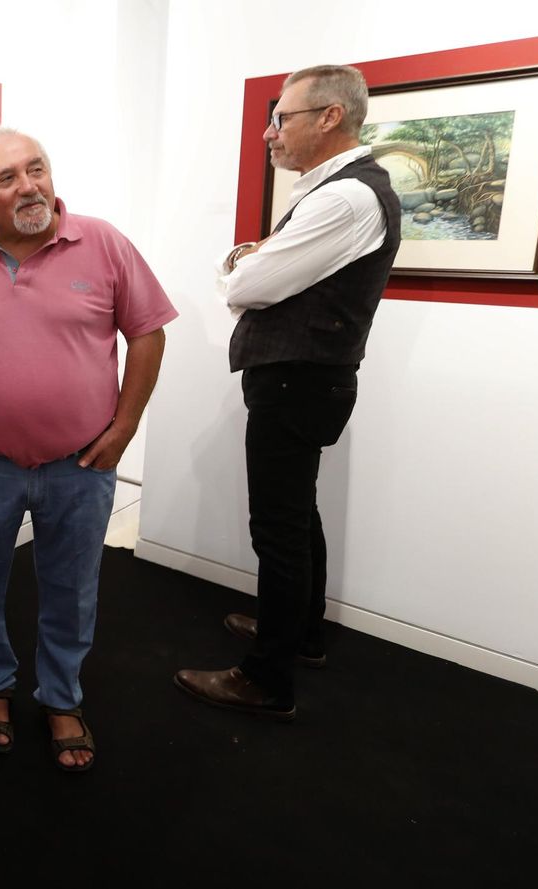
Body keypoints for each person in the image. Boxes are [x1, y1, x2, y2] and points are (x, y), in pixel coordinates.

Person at [0, 126, 176, 771]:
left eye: (35, 169)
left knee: (72, 588)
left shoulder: (102, 242)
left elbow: (149, 332)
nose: (29, 187)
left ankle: (62, 697)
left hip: (81, 463)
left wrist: (125, 427)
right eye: (7, 179)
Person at [175, 64, 399, 721]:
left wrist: (243, 261)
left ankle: (266, 678)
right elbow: (264, 270)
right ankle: (301, 632)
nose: (271, 133)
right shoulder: (345, 191)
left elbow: (247, 285)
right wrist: (259, 258)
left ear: (329, 117)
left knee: (278, 525)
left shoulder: (344, 198)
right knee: (298, 515)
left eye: (284, 118)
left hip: (297, 380)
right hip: (309, 377)